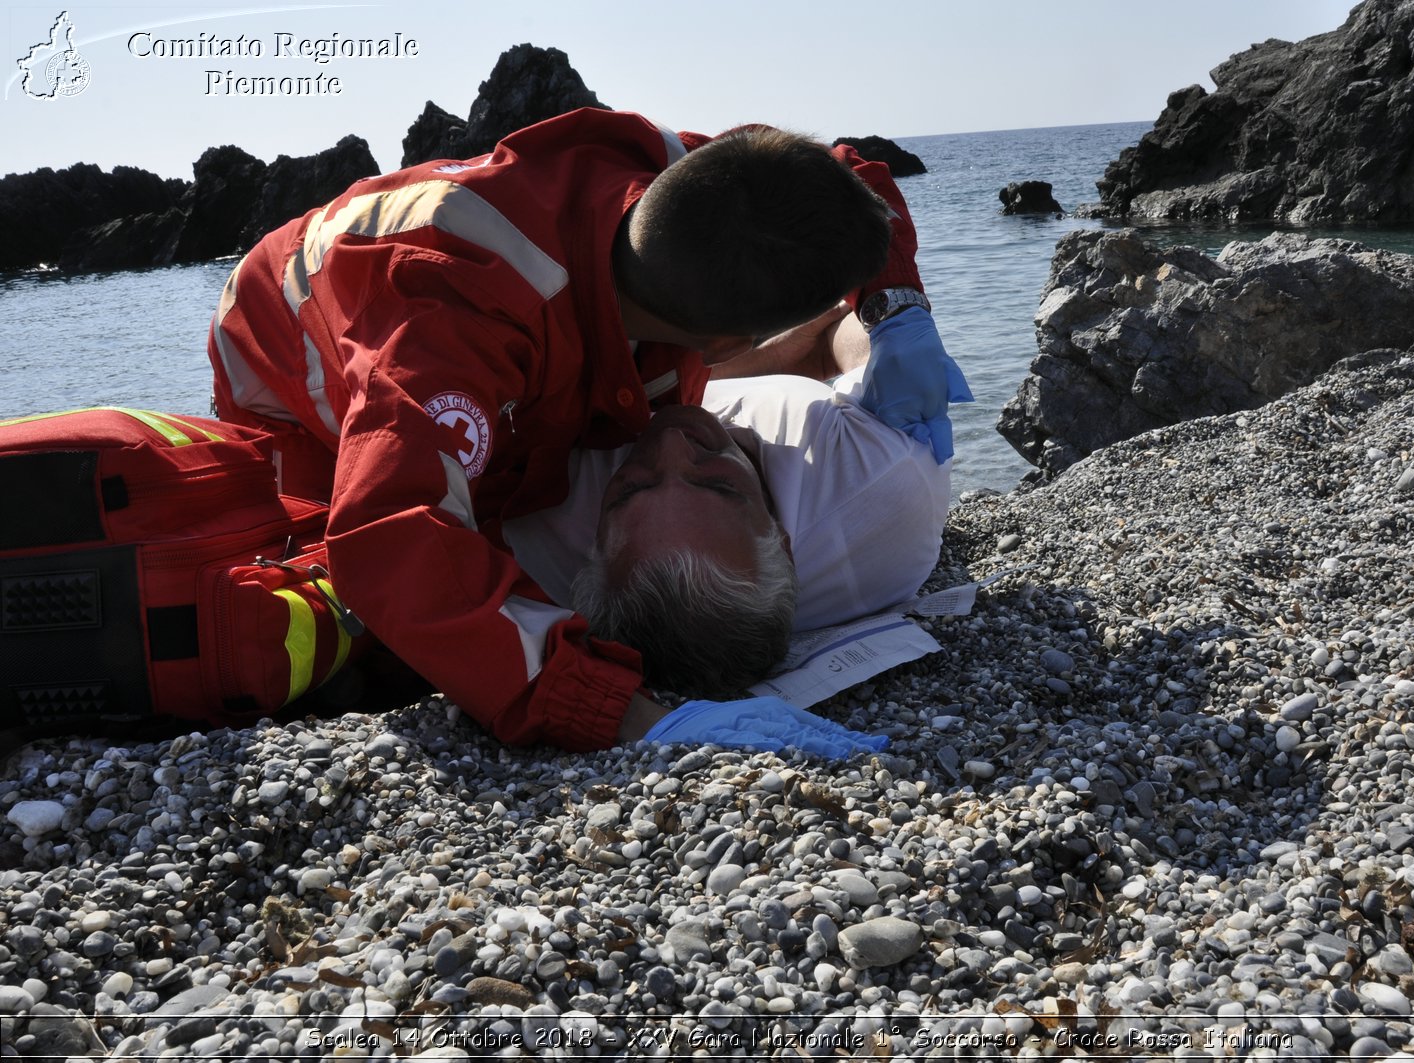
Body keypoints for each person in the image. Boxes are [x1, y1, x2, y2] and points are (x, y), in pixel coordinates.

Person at [205, 107, 968, 754]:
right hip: (292, 362)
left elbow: (842, 173)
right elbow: (389, 536)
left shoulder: (681, 181)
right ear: (725, 342)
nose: (670, 443)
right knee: (367, 621)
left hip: (501, 303)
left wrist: (896, 305)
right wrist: (632, 716)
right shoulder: (447, 336)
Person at [501, 305, 952, 704]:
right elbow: (859, 340)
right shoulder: (877, 483)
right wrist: (880, 317)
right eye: (718, 486)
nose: (673, 442)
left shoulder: (547, 527)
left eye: (631, 487)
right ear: (781, 540)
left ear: (592, 546)